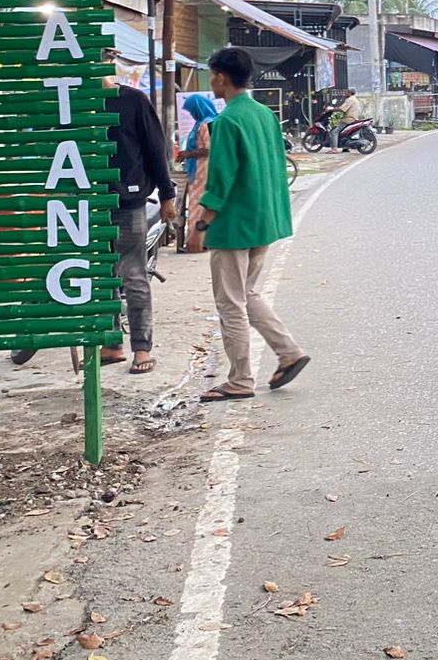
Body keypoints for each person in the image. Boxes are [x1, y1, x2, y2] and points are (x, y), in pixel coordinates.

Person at [191, 47, 311, 402]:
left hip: (234, 222)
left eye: (212, 75)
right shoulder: (263, 114)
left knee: (230, 303)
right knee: (248, 293)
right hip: (265, 218)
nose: (211, 81)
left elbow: (222, 177)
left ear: (221, 78)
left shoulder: (227, 120)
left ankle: (240, 380)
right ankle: (288, 352)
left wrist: (202, 223)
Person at [103, 57, 177, 375]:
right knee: (101, 278)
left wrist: (167, 194)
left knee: (133, 276)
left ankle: (142, 348)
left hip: (127, 203)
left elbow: (155, 149)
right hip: (86, 208)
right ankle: (111, 343)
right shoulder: (73, 103)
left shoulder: (133, 101)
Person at [178, 94, 221, 250]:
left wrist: (188, 154)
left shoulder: (205, 125)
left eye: (192, 110)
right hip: (200, 166)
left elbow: (208, 149)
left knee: (197, 204)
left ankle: (197, 242)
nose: (192, 114)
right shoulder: (202, 123)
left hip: (202, 169)